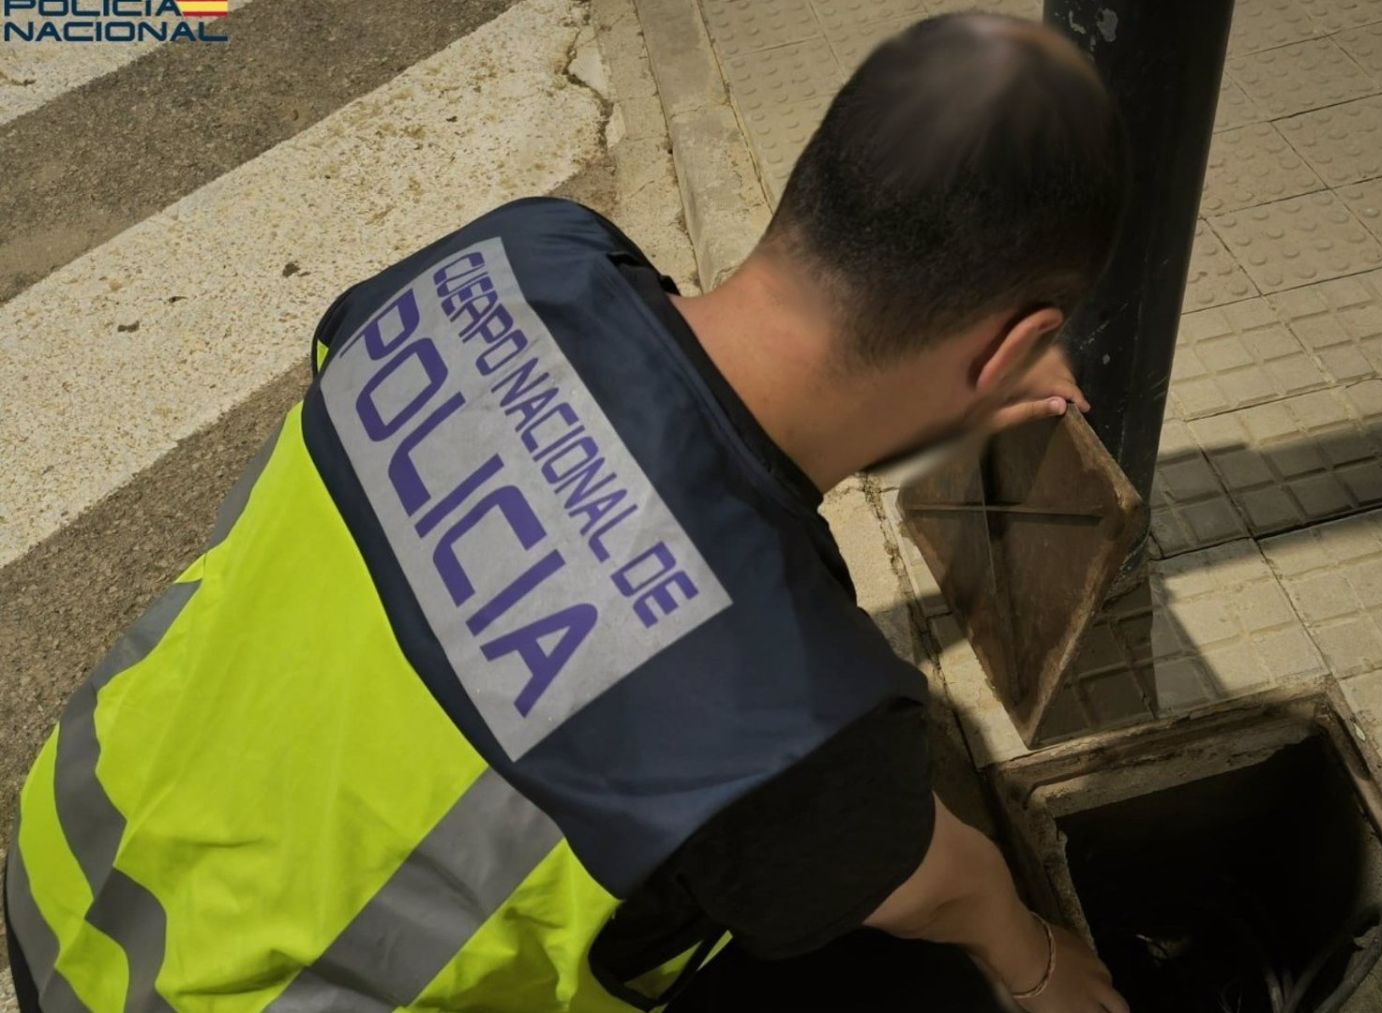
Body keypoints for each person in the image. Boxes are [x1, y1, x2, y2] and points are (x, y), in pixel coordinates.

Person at [4, 11, 1128, 1013]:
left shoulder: (524, 253)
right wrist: (1031, 958)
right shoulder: (790, 711)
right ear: (1012, 351)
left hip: (70, 853)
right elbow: (935, 882)